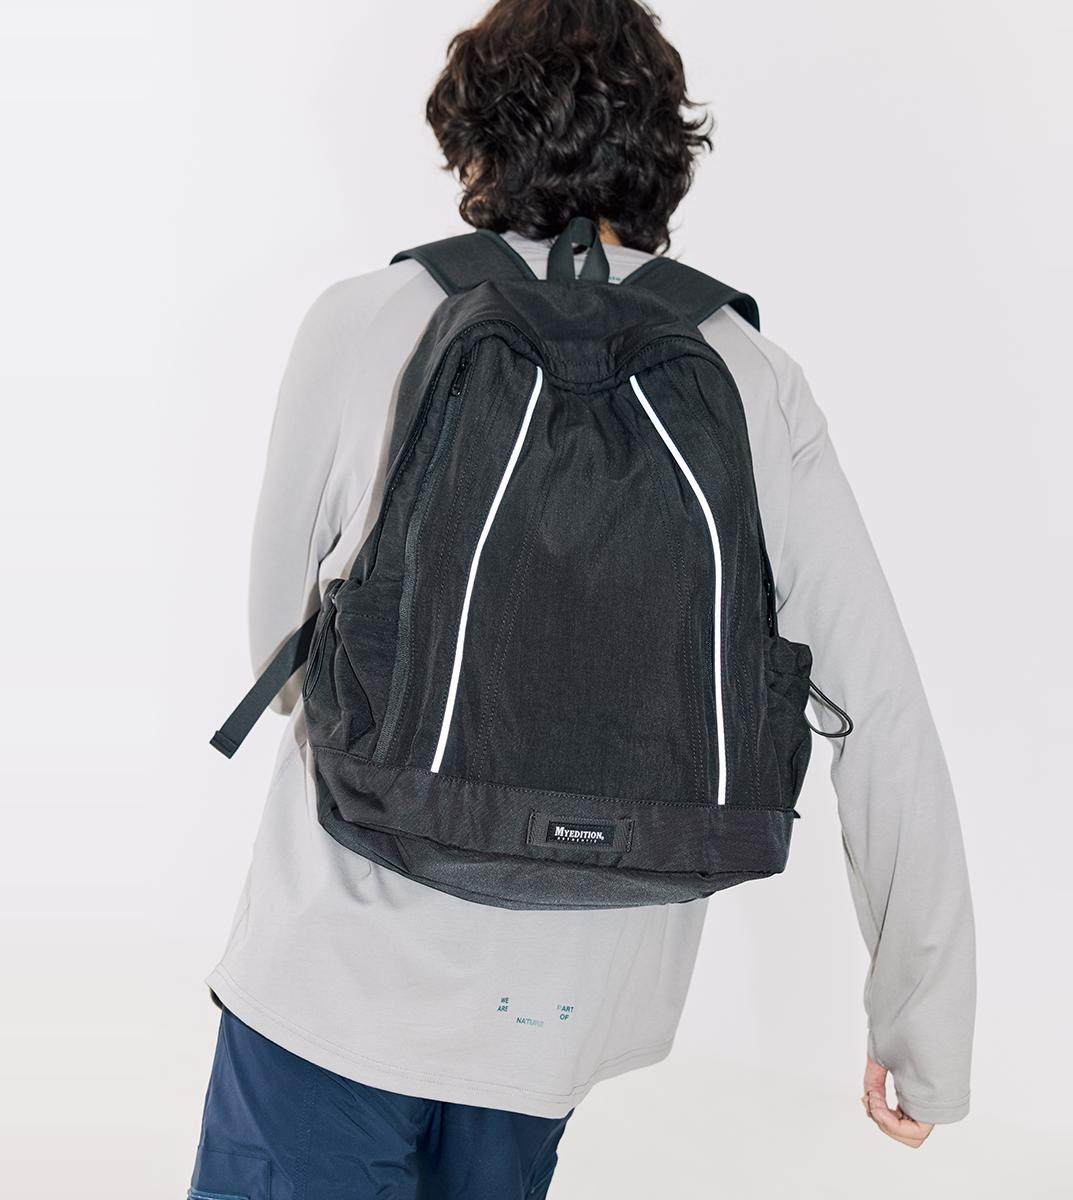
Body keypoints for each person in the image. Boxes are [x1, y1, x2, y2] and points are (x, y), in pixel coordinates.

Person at [190, 1, 976, 1195]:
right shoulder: (750, 375)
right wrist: (925, 1028)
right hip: (557, 1020)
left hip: (333, 982)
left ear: (475, 138)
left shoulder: (365, 321)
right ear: (664, 152)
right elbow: (881, 709)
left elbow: (283, 652)